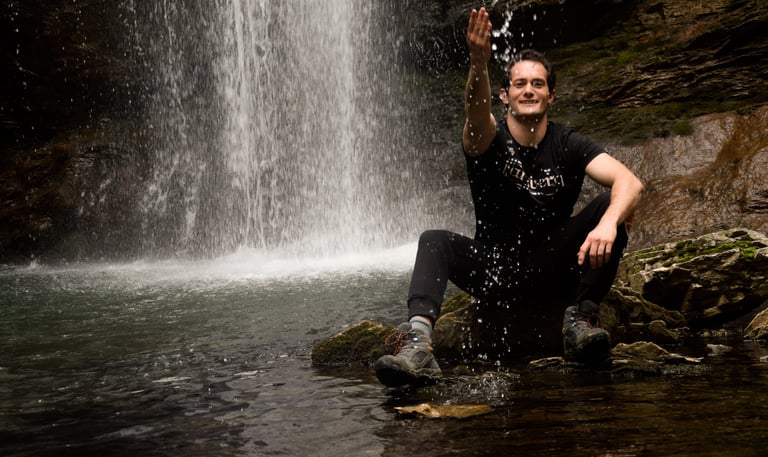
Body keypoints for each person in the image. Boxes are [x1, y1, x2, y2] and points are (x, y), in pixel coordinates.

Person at [375, 7, 644, 387]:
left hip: (554, 269)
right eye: (519, 84)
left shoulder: (568, 143)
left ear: (551, 94)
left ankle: (580, 320)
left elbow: (630, 182)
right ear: (505, 96)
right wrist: (479, 63)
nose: (528, 90)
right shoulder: (487, 138)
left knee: (611, 207)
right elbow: (474, 111)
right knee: (434, 240)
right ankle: (418, 343)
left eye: (537, 83)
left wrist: (607, 224)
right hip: (496, 271)